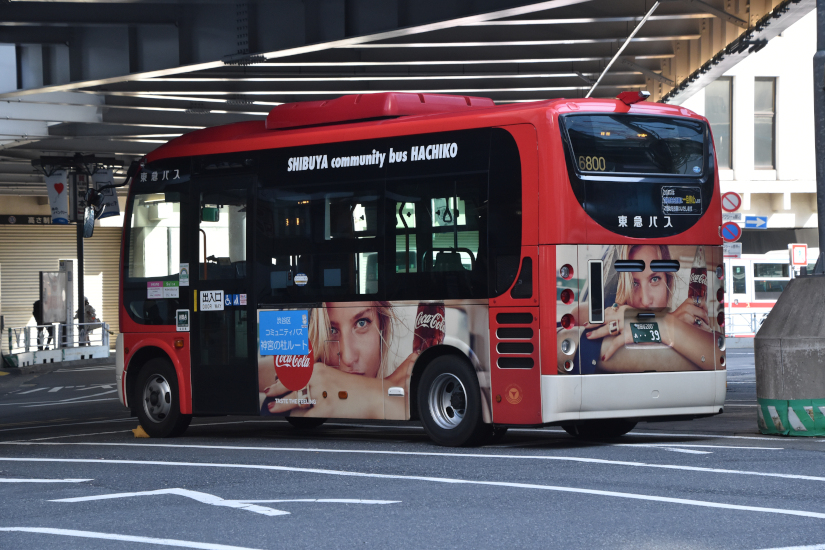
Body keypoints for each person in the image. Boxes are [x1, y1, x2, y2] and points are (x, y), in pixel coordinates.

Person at [559, 244, 715, 374]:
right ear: (620, 286)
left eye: (655, 279)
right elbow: (569, 333)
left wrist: (664, 324)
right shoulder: (597, 316)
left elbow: (720, 359)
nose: (645, 300)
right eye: (634, 283)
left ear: (668, 282)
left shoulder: (686, 322)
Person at [259, 301, 419, 420]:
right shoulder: (306, 383)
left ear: (382, 325)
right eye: (331, 329)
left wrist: (378, 395)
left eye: (362, 323)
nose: (348, 358)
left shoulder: (409, 375)